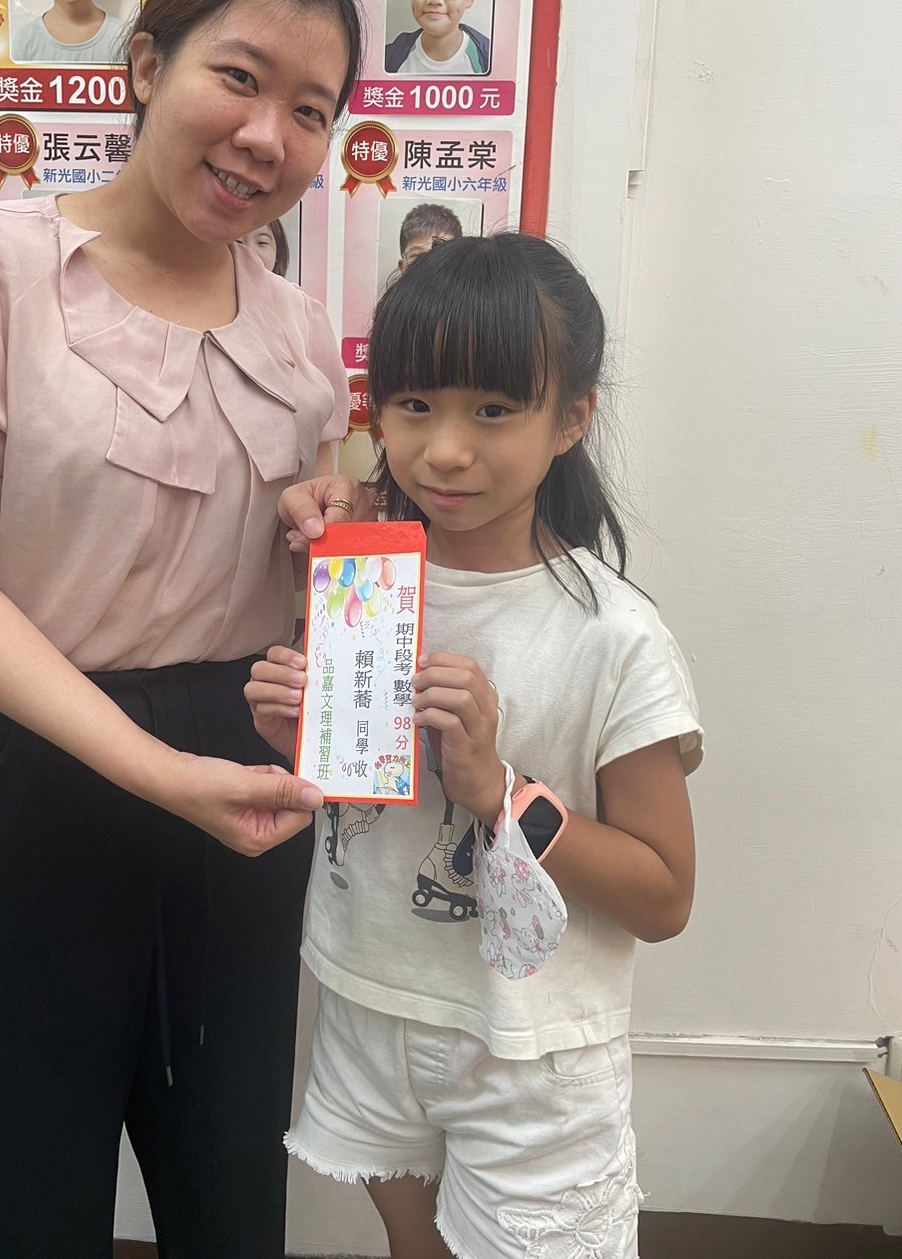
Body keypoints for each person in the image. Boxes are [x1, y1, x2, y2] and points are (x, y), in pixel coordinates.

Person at [0, 0, 367, 1259]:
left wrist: (322, 545)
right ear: (144, 66)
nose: (267, 136)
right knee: (23, 1217)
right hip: (18, 796)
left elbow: (292, 591)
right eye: (238, 77)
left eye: (311, 110)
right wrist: (155, 768)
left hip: (233, 805)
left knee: (230, 1210)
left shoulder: (299, 332)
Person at [247, 234, 702, 1259]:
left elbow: (664, 895)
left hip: (531, 1050)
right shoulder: (358, 581)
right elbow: (361, 806)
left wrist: (501, 792)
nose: (446, 450)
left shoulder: (615, 636)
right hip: (370, 1001)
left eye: (494, 410)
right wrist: (302, 740)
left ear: (571, 419)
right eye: (414, 404)